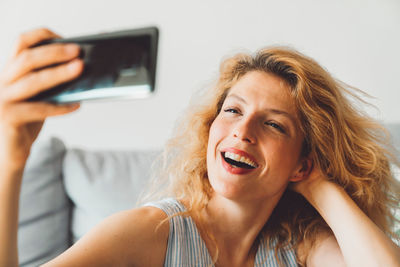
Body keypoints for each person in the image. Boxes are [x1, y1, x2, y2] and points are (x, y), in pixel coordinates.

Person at [0, 28, 399, 267]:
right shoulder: (151, 232)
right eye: (232, 111)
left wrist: (318, 185)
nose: (242, 131)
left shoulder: (297, 245)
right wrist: (11, 158)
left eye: (274, 124)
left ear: (301, 163)